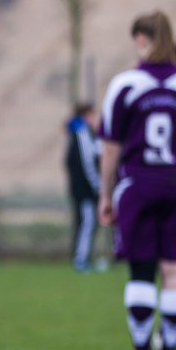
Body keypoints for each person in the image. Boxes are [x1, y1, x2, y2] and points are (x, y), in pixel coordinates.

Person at [98, 11, 176, 350]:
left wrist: (104, 193)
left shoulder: (126, 85)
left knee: (142, 270)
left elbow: (111, 147)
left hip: (138, 185)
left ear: (141, 40)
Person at [65, 102, 104, 272]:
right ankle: (81, 259)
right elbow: (88, 163)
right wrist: (99, 187)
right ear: (86, 115)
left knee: (87, 222)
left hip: (83, 189)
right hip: (85, 190)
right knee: (87, 222)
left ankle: (84, 257)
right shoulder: (82, 134)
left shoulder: (81, 133)